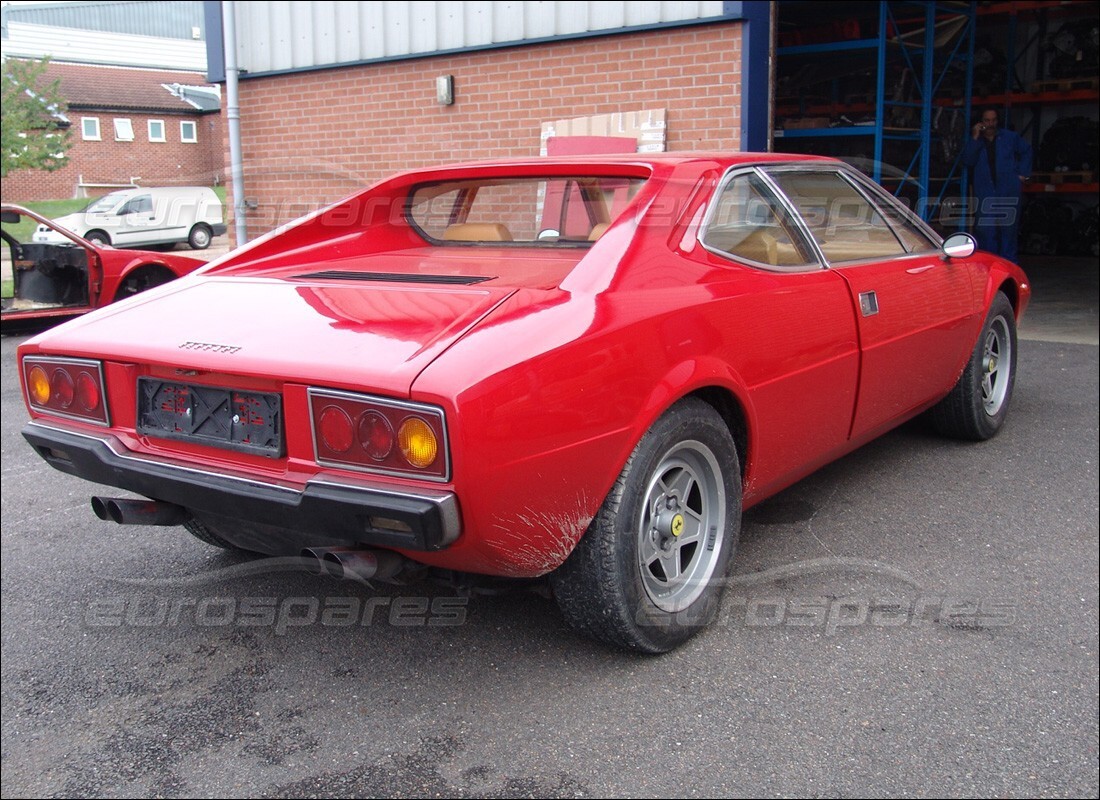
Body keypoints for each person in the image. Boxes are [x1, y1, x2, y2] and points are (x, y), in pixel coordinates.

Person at [961, 108, 1033, 262]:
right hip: (985, 192)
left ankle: (1009, 267)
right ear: (980, 122)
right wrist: (974, 138)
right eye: (987, 120)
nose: (990, 123)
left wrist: (1022, 174)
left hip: (1008, 190)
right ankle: (990, 266)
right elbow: (968, 160)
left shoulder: (1009, 137)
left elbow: (1027, 150)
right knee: (986, 231)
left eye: (993, 120)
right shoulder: (976, 141)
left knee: (1008, 230)